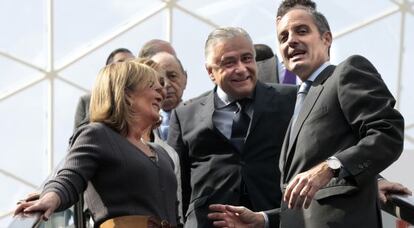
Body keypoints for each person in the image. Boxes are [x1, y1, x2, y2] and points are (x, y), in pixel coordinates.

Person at [208, 1, 407, 227]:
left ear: (326, 39)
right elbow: (305, 200)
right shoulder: (298, 104)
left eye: (301, 31)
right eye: (283, 37)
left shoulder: (347, 72)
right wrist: (262, 220)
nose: (291, 40)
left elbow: (387, 133)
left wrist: (331, 167)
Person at [14, 59, 180, 227]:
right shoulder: (98, 135)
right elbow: (70, 176)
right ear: (127, 94)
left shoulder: (163, 155)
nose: (162, 90)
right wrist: (52, 195)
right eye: (151, 85)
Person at [167, 27, 297, 228]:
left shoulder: (290, 100)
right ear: (210, 72)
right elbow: (176, 186)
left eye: (247, 58)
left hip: (271, 220)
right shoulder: (184, 115)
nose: (241, 69)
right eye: (229, 62)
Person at [73, 48, 135, 129]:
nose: (127, 65)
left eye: (132, 62)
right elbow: (76, 136)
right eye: (121, 62)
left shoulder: (142, 99)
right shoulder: (88, 100)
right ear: (109, 69)